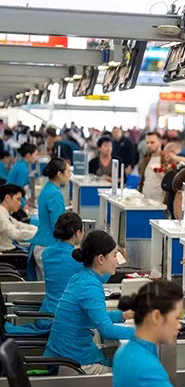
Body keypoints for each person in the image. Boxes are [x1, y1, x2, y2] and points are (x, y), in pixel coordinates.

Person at [44, 230, 134, 374]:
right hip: (73, 363)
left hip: (64, 355)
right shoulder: (90, 286)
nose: (117, 260)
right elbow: (107, 330)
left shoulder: (81, 277)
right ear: (100, 259)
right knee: (132, 374)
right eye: (114, 255)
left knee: (125, 362)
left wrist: (124, 315)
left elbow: (97, 317)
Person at [29, 158, 68, 279]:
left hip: (42, 245)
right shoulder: (54, 194)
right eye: (68, 172)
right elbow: (58, 225)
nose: (69, 176)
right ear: (59, 174)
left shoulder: (47, 189)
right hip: (48, 246)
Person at [40, 212, 84, 319]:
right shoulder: (76, 259)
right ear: (78, 233)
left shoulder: (46, 253)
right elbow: (98, 276)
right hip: (63, 319)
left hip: (46, 315)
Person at [0, 184, 36, 252]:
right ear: (7, 197)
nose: (20, 203)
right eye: (18, 199)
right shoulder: (1, 215)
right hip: (7, 255)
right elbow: (15, 233)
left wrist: (36, 229)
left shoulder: (5, 214)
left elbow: (19, 225)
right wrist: (37, 233)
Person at [137, 131, 165, 202]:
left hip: (160, 203)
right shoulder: (145, 160)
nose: (149, 145)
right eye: (147, 143)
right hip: (145, 201)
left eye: (152, 142)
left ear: (160, 143)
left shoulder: (166, 159)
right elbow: (142, 180)